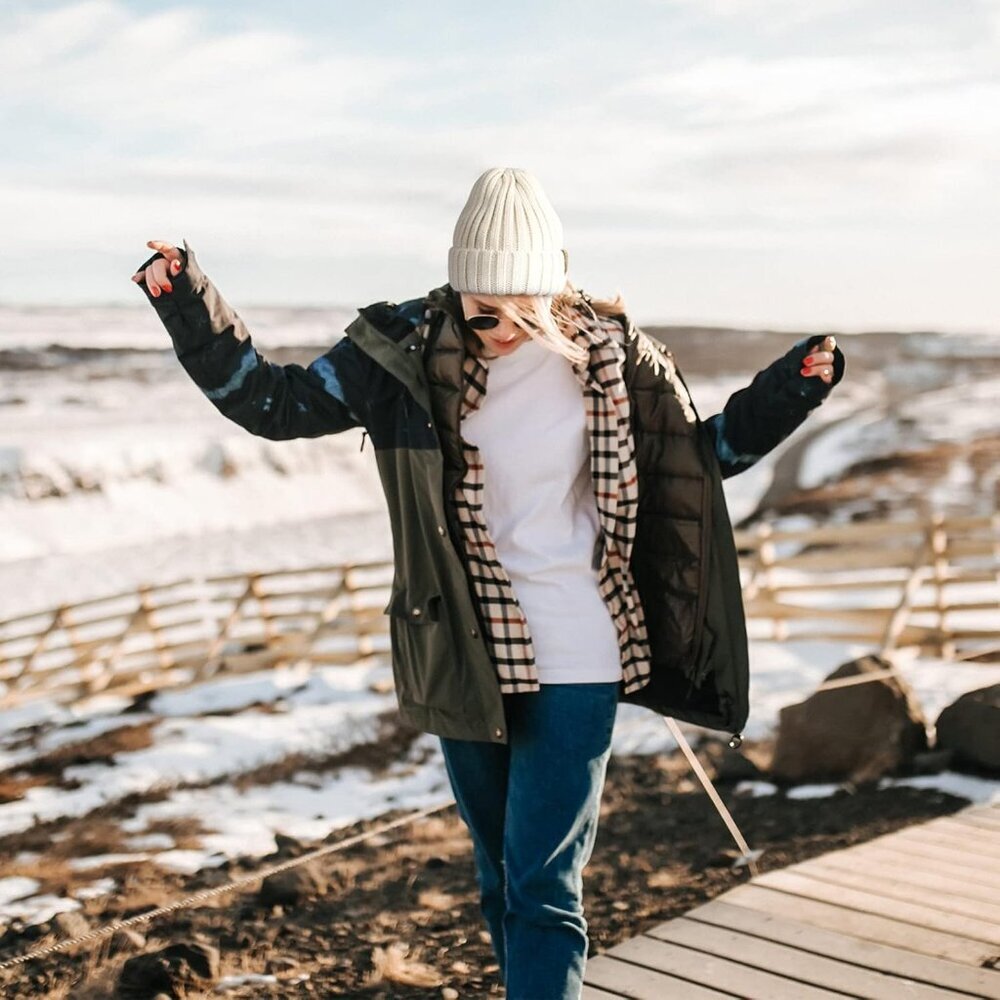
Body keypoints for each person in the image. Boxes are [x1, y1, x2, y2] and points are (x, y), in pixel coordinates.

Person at [132, 166, 844, 999]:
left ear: (553, 291)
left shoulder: (619, 365)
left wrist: (788, 393)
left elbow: (702, 461)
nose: (499, 331)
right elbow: (273, 404)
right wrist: (189, 303)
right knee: (499, 878)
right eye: (480, 311)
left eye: (521, 311)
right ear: (456, 286)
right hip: (463, 650)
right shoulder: (398, 357)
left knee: (544, 885)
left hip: (581, 650)